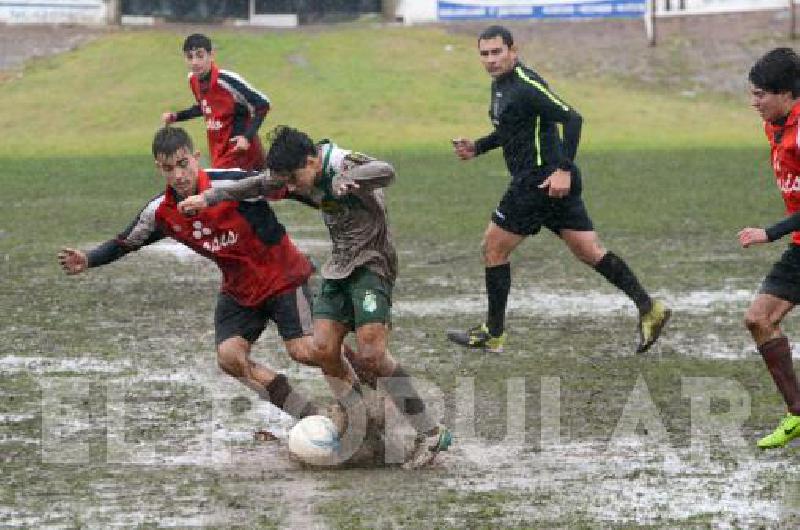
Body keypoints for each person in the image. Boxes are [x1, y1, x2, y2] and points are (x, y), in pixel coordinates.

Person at [178, 125, 453, 469]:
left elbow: (386, 170)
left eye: (294, 179)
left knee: (371, 354)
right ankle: (362, 424)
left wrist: (348, 179)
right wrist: (209, 198)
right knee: (323, 351)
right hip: (338, 269)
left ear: (311, 160)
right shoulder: (295, 172)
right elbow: (257, 183)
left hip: (372, 264)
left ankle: (430, 431)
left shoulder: (342, 161)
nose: (291, 189)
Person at [58, 126, 345, 423]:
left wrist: (334, 200)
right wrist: (88, 259)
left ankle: (360, 386)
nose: (179, 175)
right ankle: (310, 417)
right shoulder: (161, 212)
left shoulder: (231, 182)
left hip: (284, 277)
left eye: (183, 164)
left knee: (305, 351)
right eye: (169, 169)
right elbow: (126, 242)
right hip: (240, 292)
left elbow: (289, 185)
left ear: (196, 157)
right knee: (230, 358)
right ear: (160, 169)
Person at [447, 25, 670, 354]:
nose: (491, 60)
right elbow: (511, 128)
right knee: (589, 251)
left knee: (493, 248)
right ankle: (650, 309)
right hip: (550, 184)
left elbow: (573, 118)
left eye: (497, 52)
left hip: (538, 181)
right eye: (485, 54)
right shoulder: (502, 86)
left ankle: (493, 333)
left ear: (513, 50)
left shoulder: (525, 85)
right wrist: (477, 147)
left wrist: (563, 169)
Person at [738, 47, 800, 449]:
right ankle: (797, 413)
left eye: (761, 94)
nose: (754, 102)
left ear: (786, 93)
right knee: (759, 319)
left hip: (792, 235)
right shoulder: (775, 126)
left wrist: (770, 232)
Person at [161, 33, 269, 171]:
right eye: (190, 57)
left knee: (216, 188)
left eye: (200, 56)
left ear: (211, 55)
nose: (194, 62)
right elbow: (205, 107)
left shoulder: (226, 81)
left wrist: (247, 138)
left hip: (239, 152)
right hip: (218, 150)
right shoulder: (193, 80)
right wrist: (176, 116)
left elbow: (263, 104)